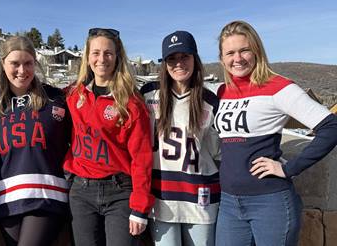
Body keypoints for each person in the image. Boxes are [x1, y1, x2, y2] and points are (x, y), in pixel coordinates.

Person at [214, 20, 337, 246]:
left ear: (257, 51)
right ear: (222, 58)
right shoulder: (222, 91)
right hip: (229, 203)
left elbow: (331, 127)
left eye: (244, 50)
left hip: (269, 203)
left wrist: (289, 168)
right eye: (230, 53)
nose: (237, 58)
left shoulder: (278, 87)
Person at [63, 28, 154, 246]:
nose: (101, 59)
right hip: (81, 191)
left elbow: (141, 158)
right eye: (95, 53)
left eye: (108, 53)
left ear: (117, 57)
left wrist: (140, 207)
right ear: (87, 57)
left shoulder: (131, 103)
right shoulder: (74, 95)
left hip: (120, 191)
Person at [0, 36, 72, 246]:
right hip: (8, 201)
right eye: (15, 63)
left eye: (28, 63)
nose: (22, 71)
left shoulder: (56, 99)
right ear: (3, 64)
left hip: (47, 197)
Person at [140, 31, 220, 246]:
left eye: (184, 56)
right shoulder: (149, 95)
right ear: (164, 63)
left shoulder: (210, 100)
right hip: (162, 195)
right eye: (172, 59)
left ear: (195, 59)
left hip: (200, 195)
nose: (178, 64)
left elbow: (215, 150)